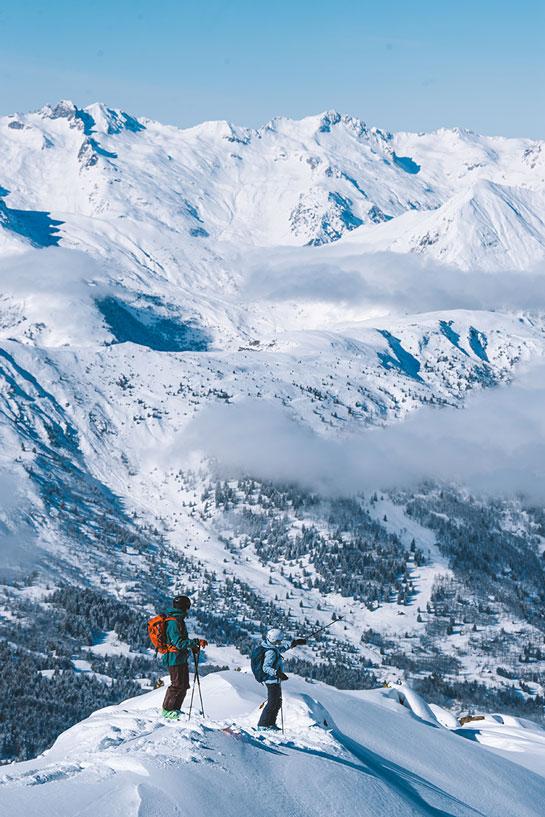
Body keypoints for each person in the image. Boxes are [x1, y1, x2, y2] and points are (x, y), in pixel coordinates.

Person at [161, 595, 207, 720]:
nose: (188, 610)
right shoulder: (173, 622)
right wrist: (194, 643)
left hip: (180, 657)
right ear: (184, 607)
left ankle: (175, 709)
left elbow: (182, 641)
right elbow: (178, 643)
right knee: (176, 685)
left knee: (184, 685)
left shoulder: (178, 620)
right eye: (187, 607)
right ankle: (167, 710)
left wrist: (194, 643)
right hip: (174, 658)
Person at [257, 628, 306, 731]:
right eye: (279, 640)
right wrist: (277, 673)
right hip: (271, 680)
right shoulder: (270, 652)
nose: (280, 642)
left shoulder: (270, 646)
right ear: (274, 639)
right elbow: (265, 668)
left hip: (275, 679)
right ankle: (263, 725)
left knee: (277, 702)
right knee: (272, 702)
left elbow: (280, 649)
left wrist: (294, 643)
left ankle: (270, 724)